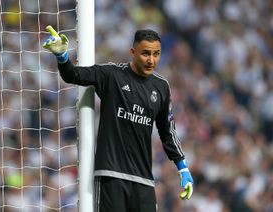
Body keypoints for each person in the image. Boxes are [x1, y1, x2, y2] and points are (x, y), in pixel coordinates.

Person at [43, 26, 194, 212]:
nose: (151, 60)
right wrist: (62, 57)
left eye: (156, 54)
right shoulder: (112, 75)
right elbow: (73, 75)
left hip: (143, 180)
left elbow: (167, 131)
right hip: (111, 175)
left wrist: (183, 167)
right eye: (146, 53)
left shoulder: (161, 87)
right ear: (133, 52)